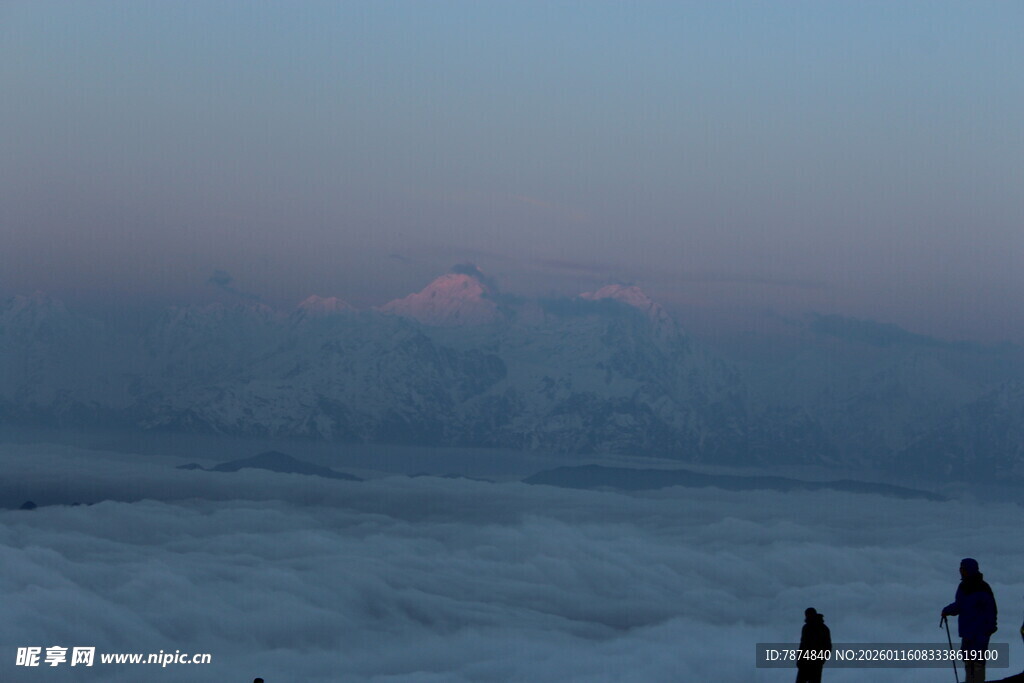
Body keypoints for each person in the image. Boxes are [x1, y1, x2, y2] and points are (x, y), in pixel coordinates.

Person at [942, 558, 998, 683]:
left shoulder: (978, 588)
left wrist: (989, 628)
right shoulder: (967, 587)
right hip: (970, 632)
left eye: (963, 569)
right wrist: (947, 610)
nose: (961, 572)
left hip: (978, 633)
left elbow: (990, 609)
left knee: (976, 662)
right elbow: (960, 605)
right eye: (961, 569)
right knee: (969, 661)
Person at [796, 607, 831, 683]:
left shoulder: (823, 629)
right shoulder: (806, 628)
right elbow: (802, 645)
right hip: (805, 663)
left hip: (815, 663)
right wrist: (799, 660)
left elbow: (828, 647)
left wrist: (821, 660)